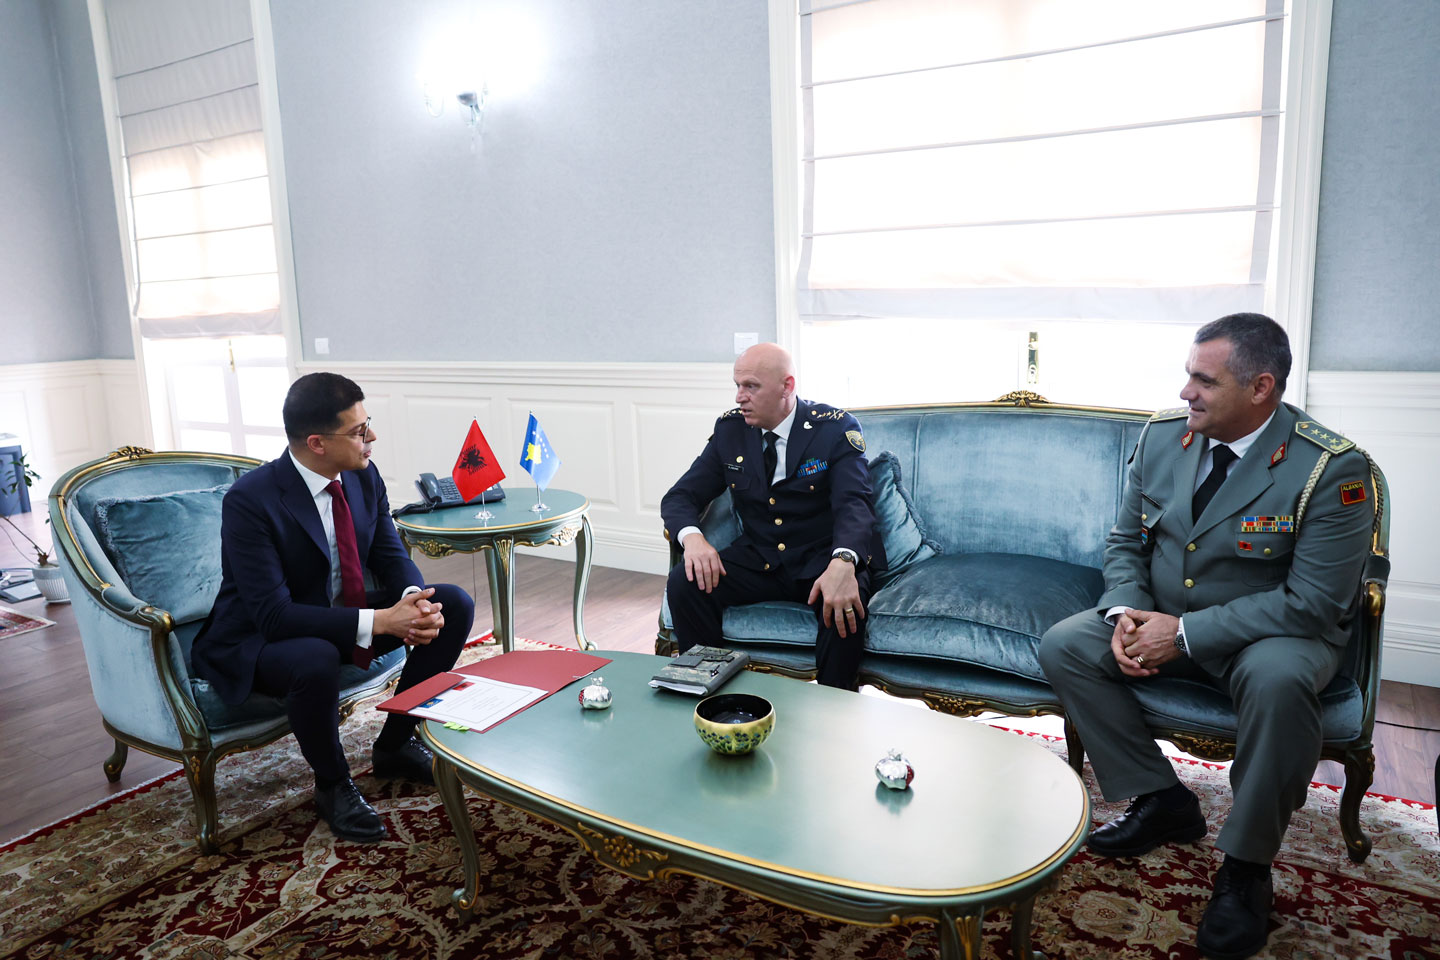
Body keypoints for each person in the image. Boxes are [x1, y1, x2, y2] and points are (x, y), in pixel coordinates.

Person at [1038, 313, 1376, 959]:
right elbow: (1126, 541)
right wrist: (1128, 613)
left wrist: (1185, 634)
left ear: (1261, 387)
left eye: (1205, 380)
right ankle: (1163, 799)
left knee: (1279, 682)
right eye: (1187, 375)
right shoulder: (1165, 435)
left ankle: (1247, 867)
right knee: (1068, 644)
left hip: (1272, 635)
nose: (1186, 391)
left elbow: (1313, 603)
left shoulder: (1330, 468)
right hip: (1165, 615)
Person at [193, 372, 475, 843]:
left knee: (454, 605)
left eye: (368, 424)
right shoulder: (251, 500)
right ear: (317, 443)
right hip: (261, 639)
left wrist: (413, 602)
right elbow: (274, 616)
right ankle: (333, 784)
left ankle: (395, 744)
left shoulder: (364, 476)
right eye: (359, 431)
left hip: (340, 615)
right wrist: (381, 621)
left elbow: (389, 553)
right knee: (315, 656)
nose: (372, 437)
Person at [661, 343, 885, 688]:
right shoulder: (731, 431)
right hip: (761, 558)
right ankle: (710, 694)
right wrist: (692, 538)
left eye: (751, 386)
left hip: (823, 557)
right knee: (685, 582)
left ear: (787, 386)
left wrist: (843, 562)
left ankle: (833, 707)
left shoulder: (833, 429)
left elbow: (854, 503)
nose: (740, 397)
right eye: (737, 385)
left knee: (843, 607)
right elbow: (680, 496)